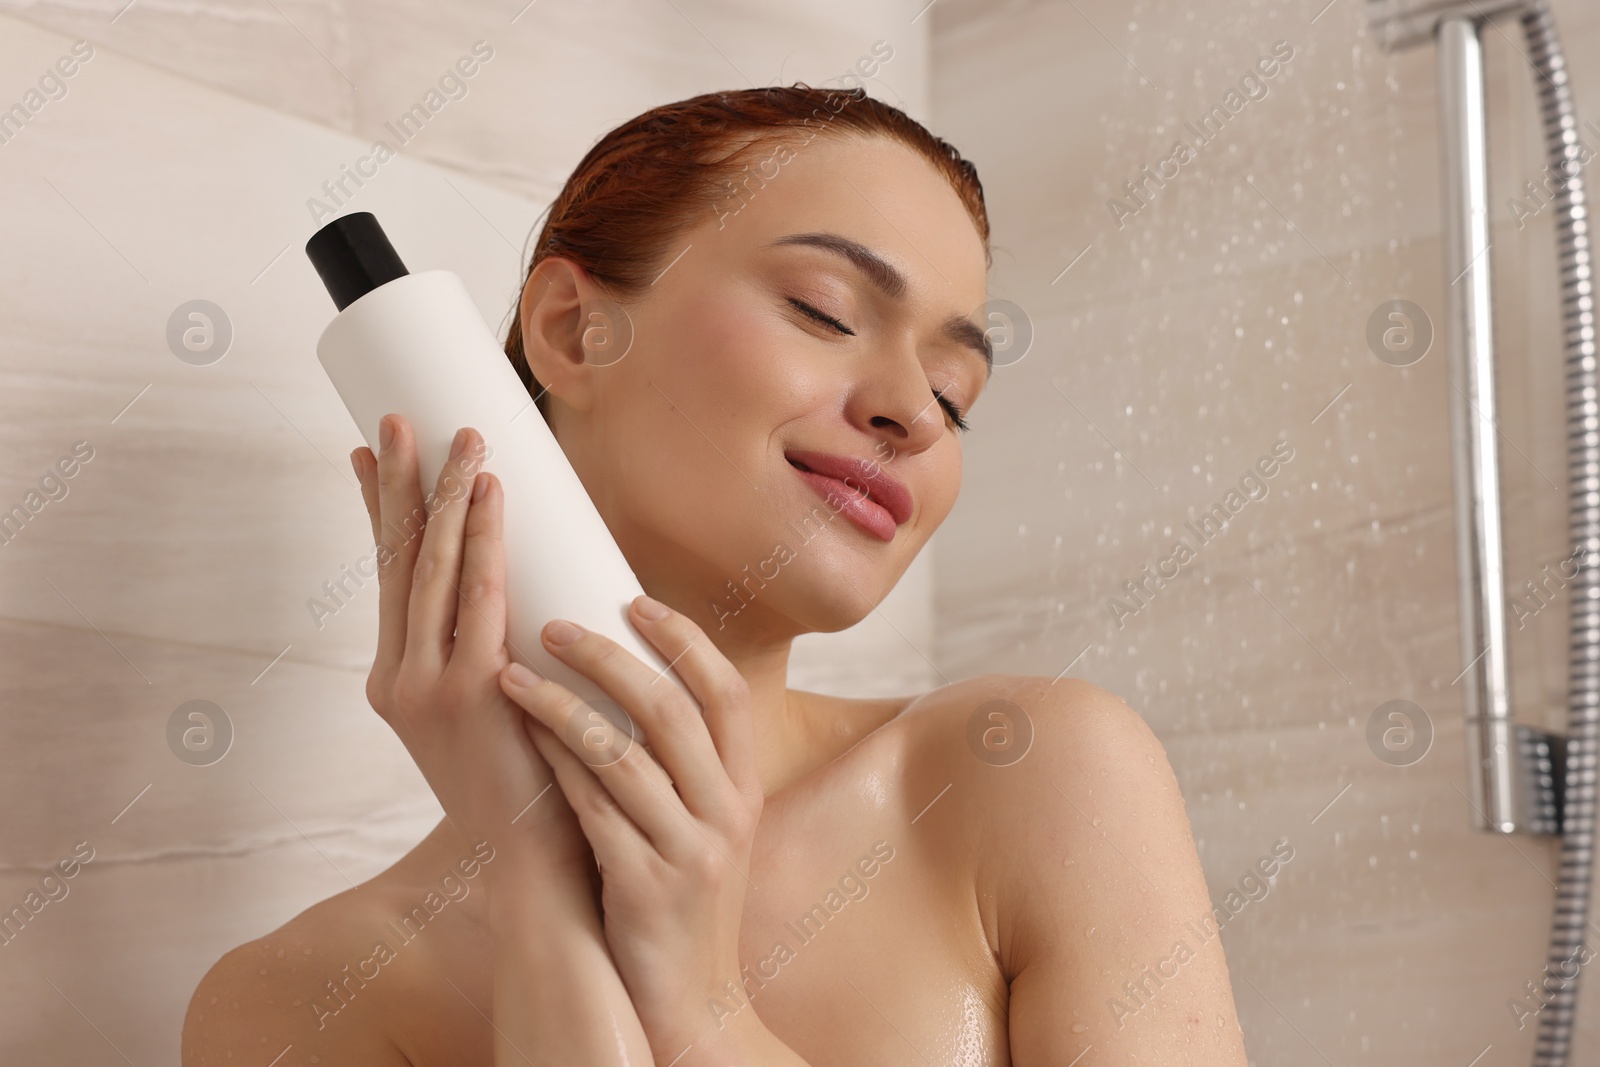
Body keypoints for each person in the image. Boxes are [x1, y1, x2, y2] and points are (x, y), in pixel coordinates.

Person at [182, 84, 1248, 1066]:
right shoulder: (297, 1004)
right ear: (572, 329)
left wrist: (701, 1004)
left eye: (955, 391)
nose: (916, 413)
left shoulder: (1021, 777)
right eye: (827, 311)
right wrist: (543, 899)